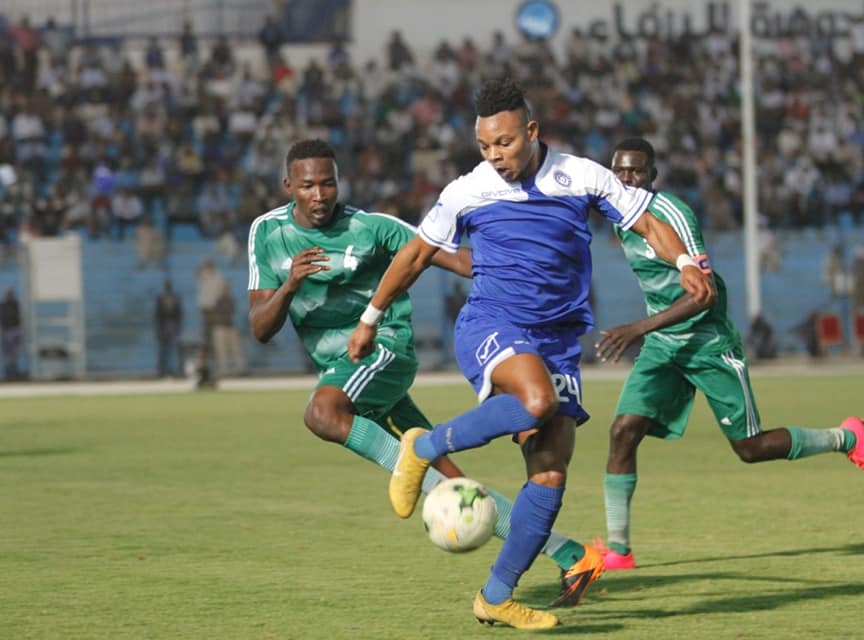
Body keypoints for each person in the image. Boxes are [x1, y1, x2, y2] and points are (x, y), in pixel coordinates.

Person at [347, 78, 714, 629]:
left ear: (533, 132)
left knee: (549, 475)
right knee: (536, 401)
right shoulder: (468, 190)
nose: (495, 156)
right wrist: (369, 318)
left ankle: (496, 597)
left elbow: (646, 221)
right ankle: (422, 446)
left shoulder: (582, 176)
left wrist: (685, 262)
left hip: (558, 341)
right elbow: (417, 254)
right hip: (491, 323)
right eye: (484, 146)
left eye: (505, 143)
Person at [248, 138, 603, 607]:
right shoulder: (267, 233)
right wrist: (290, 284)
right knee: (453, 486)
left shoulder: (371, 228)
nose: (320, 195)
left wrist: (521, 266)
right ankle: (573, 555)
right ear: (288, 186)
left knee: (322, 413)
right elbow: (261, 327)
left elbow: (439, 253)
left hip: (382, 349)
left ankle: (413, 456)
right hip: (343, 371)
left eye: (328, 183)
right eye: (308, 185)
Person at [592, 137, 864, 572]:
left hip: (707, 342)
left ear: (653, 176)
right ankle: (620, 550)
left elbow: (705, 294)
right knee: (622, 431)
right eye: (619, 170)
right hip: (663, 346)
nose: (626, 178)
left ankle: (846, 438)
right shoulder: (618, 214)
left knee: (750, 448)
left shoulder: (673, 213)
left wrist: (637, 328)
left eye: (636, 171)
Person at [154, 280, 182, 378]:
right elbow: (158, 314)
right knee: (165, 349)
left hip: (169, 325)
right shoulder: (163, 298)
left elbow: (178, 313)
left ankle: (172, 369)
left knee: (171, 349)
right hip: (168, 325)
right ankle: (163, 370)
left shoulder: (171, 298)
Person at [1, 287, 23, 379]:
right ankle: (8, 373)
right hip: (6, 330)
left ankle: (14, 372)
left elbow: (20, 317)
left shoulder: (16, 305)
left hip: (15, 330)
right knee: (7, 353)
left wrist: (20, 329)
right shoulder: (3, 305)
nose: (9, 296)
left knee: (15, 353)